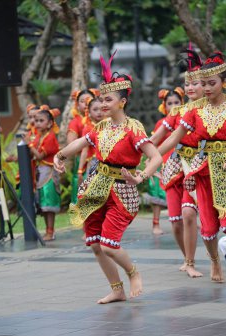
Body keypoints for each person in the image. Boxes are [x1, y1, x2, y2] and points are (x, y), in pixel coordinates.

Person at [54, 52, 162, 303]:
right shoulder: (101, 127)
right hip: (98, 186)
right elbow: (82, 141)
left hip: (122, 191)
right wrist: (61, 155)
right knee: (94, 244)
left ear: (122, 102)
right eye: (101, 99)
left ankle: (133, 273)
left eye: (108, 100)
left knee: (108, 244)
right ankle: (117, 289)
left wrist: (142, 176)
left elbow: (155, 156)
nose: (103, 104)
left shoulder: (133, 128)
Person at [158, 51, 226, 291]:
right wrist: (151, 156)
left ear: (223, 83)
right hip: (202, 170)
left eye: (211, 83)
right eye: (203, 84)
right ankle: (215, 261)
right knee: (208, 228)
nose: (206, 88)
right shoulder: (194, 111)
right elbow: (174, 137)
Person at [151, 47, 204, 277]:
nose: (191, 87)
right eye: (188, 83)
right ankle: (188, 259)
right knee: (177, 220)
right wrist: (141, 155)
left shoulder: (215, 110)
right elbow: (157, 138)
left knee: (204, 218)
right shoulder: (177, 114)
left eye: (196, 83)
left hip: (205, 165)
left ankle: (210, 260)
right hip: (177, 166)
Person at [145, 88, 183, 235]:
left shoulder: (185, 119)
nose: (173, 106)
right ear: (164, 106)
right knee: (158, 195)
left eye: (176, 102)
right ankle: (156, 224)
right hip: (164, 161)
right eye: (170, 103)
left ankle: (186, 220)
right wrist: (151, 162)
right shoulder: (162, 123)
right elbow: (152, 143)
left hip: (182, 161)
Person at [25, 106, 61, 241]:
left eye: (41, 120)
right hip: (42, 173)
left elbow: (39, 156)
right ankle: (48, 231)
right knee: (45, 204)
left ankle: (50, 232)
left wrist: (29, 145)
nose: (37, 123)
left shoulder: (50, 137)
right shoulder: (39, 136)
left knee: (48, 204)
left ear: (50, 123)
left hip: (49, 174)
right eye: (36, 120)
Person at [67, 89, 95, 204]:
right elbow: (71, 145)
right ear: (77, 105)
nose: (86, 103)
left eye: (89, 100)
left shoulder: (101, 120)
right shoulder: (76, 122)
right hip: (83, 161)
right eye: (83, 101)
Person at [77, 96, 104, 183]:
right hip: (94, 163)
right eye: (95, 110)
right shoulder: (88, 129)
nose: (99, 112)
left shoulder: (110, 125)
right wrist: (80, 170)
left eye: (102, 109)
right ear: (88, 112)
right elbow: (84, 150)